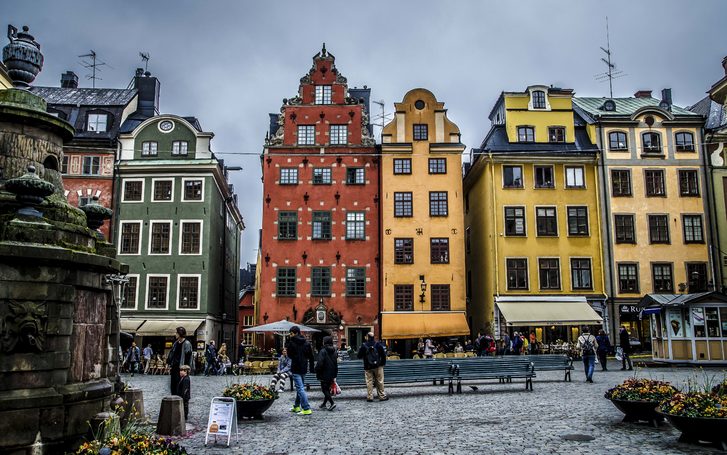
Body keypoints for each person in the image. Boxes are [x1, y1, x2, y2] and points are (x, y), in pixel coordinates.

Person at [285, 326, 315, 416]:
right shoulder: (306, 343)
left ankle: (306, 408)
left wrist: (289, 342)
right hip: (304, 367)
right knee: (300, 387)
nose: (290, 335)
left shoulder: (292, 343)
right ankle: (297, 406)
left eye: (291, 333)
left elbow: (289, 355)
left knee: (300, 388)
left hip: (296, 368)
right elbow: (311, 356)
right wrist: (312, 368)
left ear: (295, 333)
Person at [357, 332, 388, 402]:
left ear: (367, 337)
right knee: (380, 381)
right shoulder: (378, 345)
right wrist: (382, 364)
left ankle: (370, 396)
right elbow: (383, 355)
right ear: (373, 337)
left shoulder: (364, 345)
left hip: (368, 366)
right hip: (378, 366)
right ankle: (382, 396)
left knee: (369, 381)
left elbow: (359, 356)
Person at [167, 327, 193, 395]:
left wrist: (185, 369)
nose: (175, 334)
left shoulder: (187, 343)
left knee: (180, 386)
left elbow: (188, 357)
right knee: (173, 385)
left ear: (180, 334)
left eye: (176, 333)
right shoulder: (176, 343)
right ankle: (174, 399)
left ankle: (180, 400)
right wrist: (169, 363)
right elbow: (172, 354)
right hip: (174, 367)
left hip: (181, 368)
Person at [315, 336, 338, 411]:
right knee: (327, 388)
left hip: (324, 372)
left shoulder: (323, 351)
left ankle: (332, 403)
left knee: (324, 389)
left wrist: (316, 369)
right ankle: (324, 404)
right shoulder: (334, 350)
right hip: (332, 372)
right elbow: (335, 362)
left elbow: (320, 363)